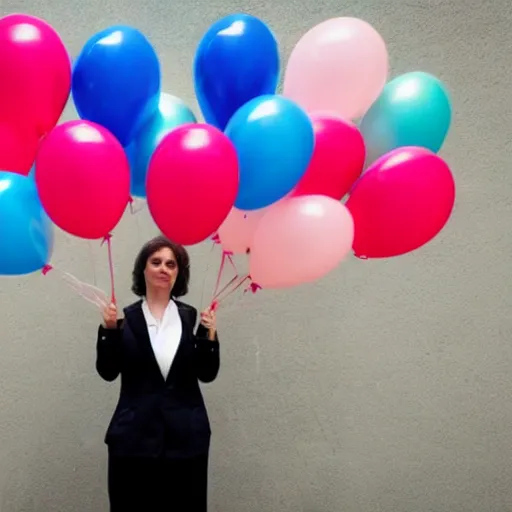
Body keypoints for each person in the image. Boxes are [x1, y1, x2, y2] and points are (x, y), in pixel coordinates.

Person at [96, 235, 219, 512]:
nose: (164, 268)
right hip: (133, 440)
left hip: (186, 440)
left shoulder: (193, 319)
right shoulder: (124, 320)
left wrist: (210, 335)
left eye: (171, 264)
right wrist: (108, 331)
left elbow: (207, 373)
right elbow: (107, 371)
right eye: (156, 262)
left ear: (179, 273)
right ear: (144, 269)